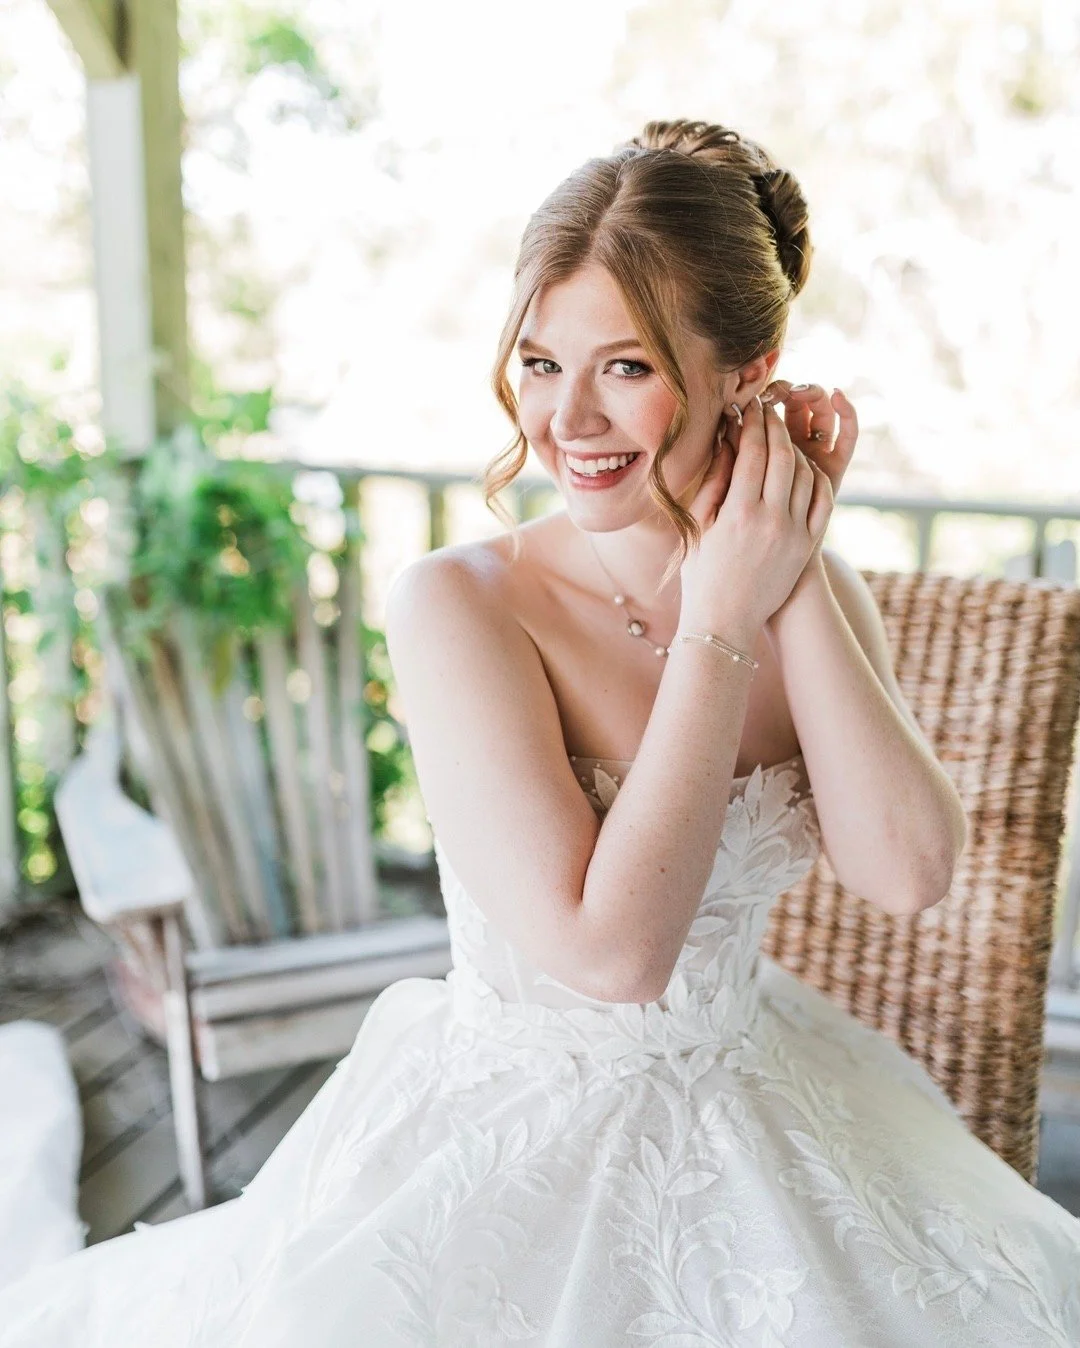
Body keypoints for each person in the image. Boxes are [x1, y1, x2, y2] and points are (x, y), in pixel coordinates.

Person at [2, 117, 1078, 1347]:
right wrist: (722, 618)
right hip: (508, 1139)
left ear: (750, 370)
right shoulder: (461, 603)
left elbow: (909, 872)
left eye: (626, 364)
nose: (569, 416)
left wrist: (795, 565)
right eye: (537, 360)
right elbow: (611, 958)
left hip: (762, 1100)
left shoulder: (802, 592)